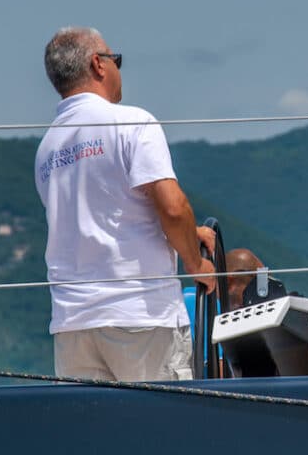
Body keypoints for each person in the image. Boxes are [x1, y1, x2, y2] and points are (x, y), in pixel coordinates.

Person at [35, 26, 216, 382]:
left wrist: (186, 232)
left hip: (73, 326)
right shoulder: (133, 122)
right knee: (162, 432)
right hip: (140, 315)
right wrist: (196, 265)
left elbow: (98, 216)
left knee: (94, 437)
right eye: (115, 59)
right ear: (98, 65)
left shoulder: (47, 149)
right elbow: (173, 207)